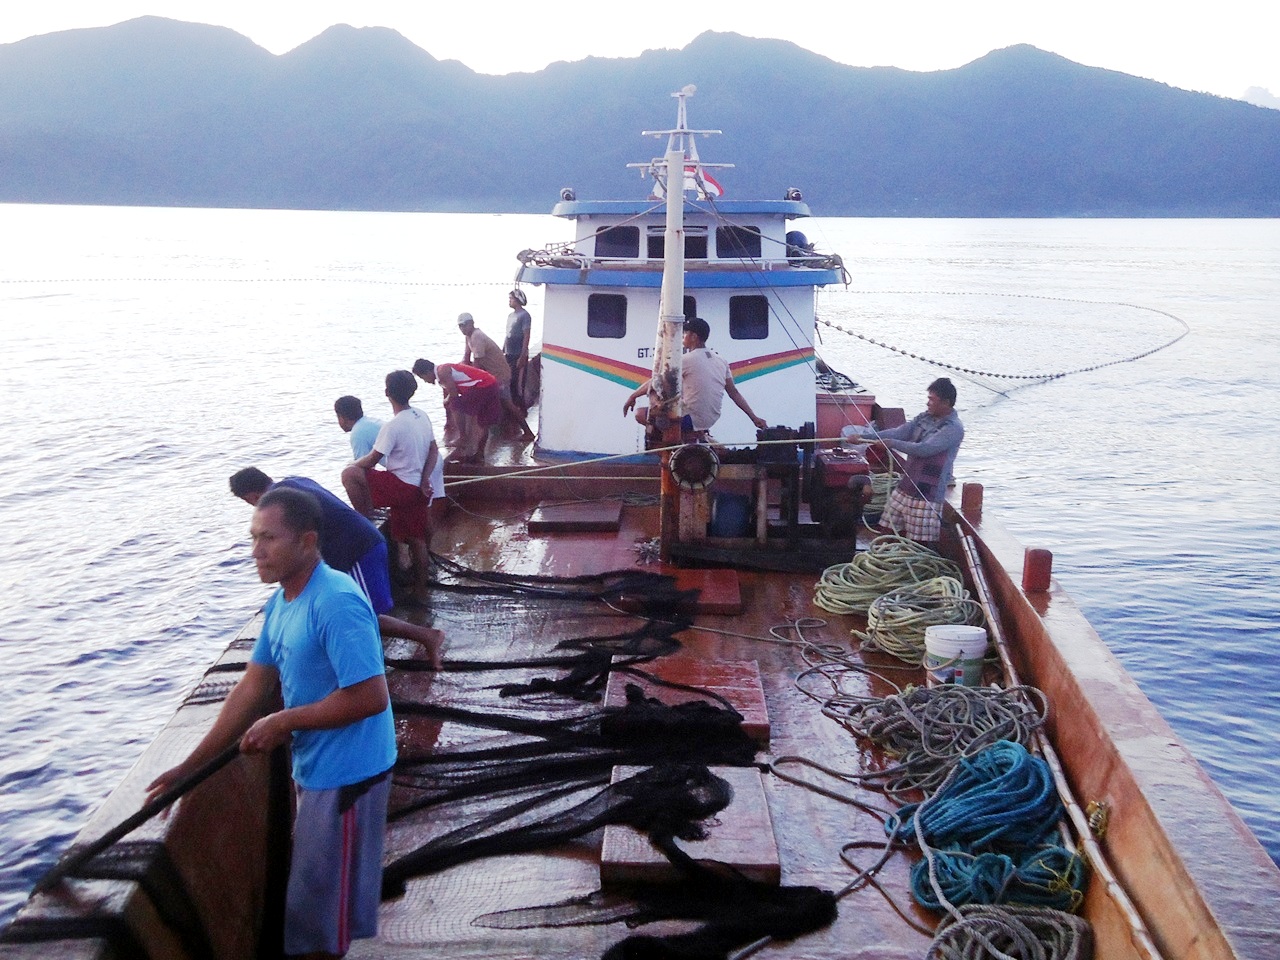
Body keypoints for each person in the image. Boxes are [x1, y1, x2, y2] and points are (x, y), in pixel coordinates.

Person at [146, 486, 396, 958]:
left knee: (319, 923)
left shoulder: (335, 601)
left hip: (349, 775)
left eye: (270, 539)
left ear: (307, 541)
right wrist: (189, 768)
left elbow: (370, 696)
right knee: (310, 908)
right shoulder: (282, 602)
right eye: (253, 537)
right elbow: (251, 687)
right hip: (316, 769)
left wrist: (285, 721)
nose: (257, 551)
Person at [229, 468, 442, 667]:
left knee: (361, 615)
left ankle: (424, 638)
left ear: (251, 497)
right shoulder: (294, 482)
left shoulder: (279, 503)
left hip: (358, 551)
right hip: (362, 544)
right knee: (357, 612)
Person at [342, 370, 441, 597]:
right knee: (417, 539)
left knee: (349, 474)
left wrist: (352, 464)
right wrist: (425, 478)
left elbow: (371, 460)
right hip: (418, 485)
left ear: (387, 393)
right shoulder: (421, 415)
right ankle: (420, 589)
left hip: (402, 486)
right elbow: (433, 449)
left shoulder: (393, 425)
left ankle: (365, 519)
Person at [622, 317, 768, 440]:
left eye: (685, 333)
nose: (683, 336)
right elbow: (734, 393)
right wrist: (754, 418)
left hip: (692, 420)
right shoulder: (720, 360)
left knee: (641, 413)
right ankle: (695, 436)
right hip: (710, 419)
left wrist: (632, 396)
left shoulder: (686, 360)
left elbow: (656, 382)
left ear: (694, 337)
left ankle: (682, 441)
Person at [870, 377, 965, 546]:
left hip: (927, 494)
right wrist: (864, 438)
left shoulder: (953, 429)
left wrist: (892, 444)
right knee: (885, 533)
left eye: (932, 400)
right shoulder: (924, 418)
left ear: (946, 403)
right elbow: (899, 432)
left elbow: (925, 449)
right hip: (905, 487)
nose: (928, 403)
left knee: (918, 544)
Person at [458, 312, 535, 442]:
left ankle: (527, 432)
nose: (462, 329)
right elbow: (466, 357)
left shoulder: (477, 337)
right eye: (460, 326)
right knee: (503, 403)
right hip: (491, 374)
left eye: (464, 325)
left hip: (500, 375)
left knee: (507, 403)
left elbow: (477, 365)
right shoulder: (469, 336)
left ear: (471, 323)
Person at [412, 358, 502, 464]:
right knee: (483, 422)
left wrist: (448, 401)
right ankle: (479, 454)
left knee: (455, 405)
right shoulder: (443, 369)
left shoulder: (442, 373)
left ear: (427, 372)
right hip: (490, 383)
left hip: (482, 385)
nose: (425, 381)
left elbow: (454, 395)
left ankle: (463, 438)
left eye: (423, 378)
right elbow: (453, 391)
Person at [503, 289, 533, 409]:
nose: (509, 301)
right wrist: (503, 349)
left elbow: (526, 335)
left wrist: (522, 355)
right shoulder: (511, 316)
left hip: (518, 353)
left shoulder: (525, 316)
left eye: (511, 299)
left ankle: (519, 406)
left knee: (517, 382)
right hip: (509, 352)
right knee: (508, 379)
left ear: (517, 300)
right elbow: (508, 334)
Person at [334, 395, 382, 460]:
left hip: (399, 468)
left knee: (351, 469)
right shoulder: (370, 422)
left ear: (342, 418)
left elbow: (362, 467)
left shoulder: (358, 433)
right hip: (399, 463)